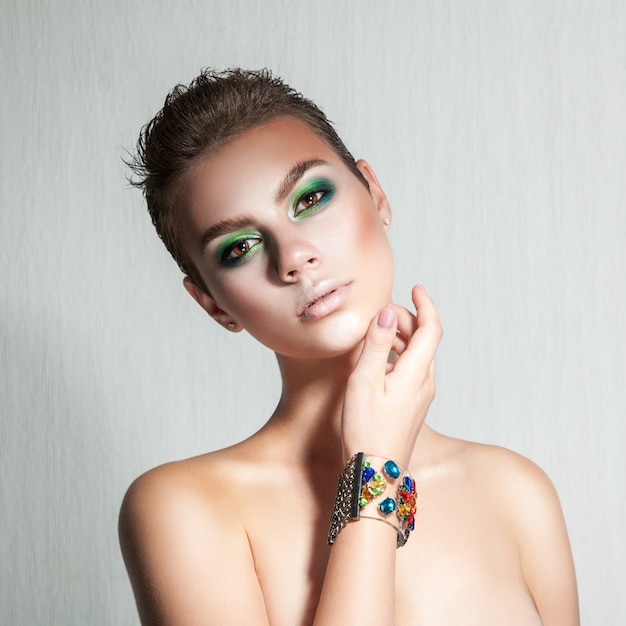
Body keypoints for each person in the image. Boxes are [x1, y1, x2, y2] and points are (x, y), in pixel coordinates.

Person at [119, 68, 579, 626]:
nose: (293, 256)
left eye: (310, 198)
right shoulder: (182, 509)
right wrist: (377, 469)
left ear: (374, 193)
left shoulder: (515, 492)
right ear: (213, 303)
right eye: (239, 247)